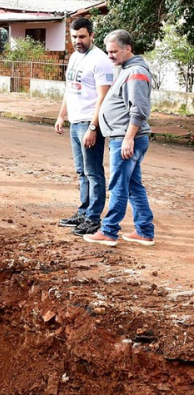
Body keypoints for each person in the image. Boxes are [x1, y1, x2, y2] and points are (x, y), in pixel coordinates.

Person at [84, 30, 155, 247]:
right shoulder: (126, 69)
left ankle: (109, 231)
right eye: (108, 52)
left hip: (126, 138)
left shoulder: (135, 72)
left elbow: (139, 110)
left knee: (118, 186)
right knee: (133, 185)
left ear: (128, 48)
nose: (110, 56)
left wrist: (128, 138)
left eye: (114, 51)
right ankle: (144, 230)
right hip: (124, 137)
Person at [54, 17, 114, 236]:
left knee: (93, 172)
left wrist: (93, 127)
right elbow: (70, 89)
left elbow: (103, 97)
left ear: (91, 35)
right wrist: (61, 115)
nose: (77, 41)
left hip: (89, 123)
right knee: (81, 171)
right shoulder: (74, 57)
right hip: (75, 122)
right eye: (74, 37)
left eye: (81, 36)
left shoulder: (100, 60)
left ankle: (93, 218)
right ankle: (83, 212)